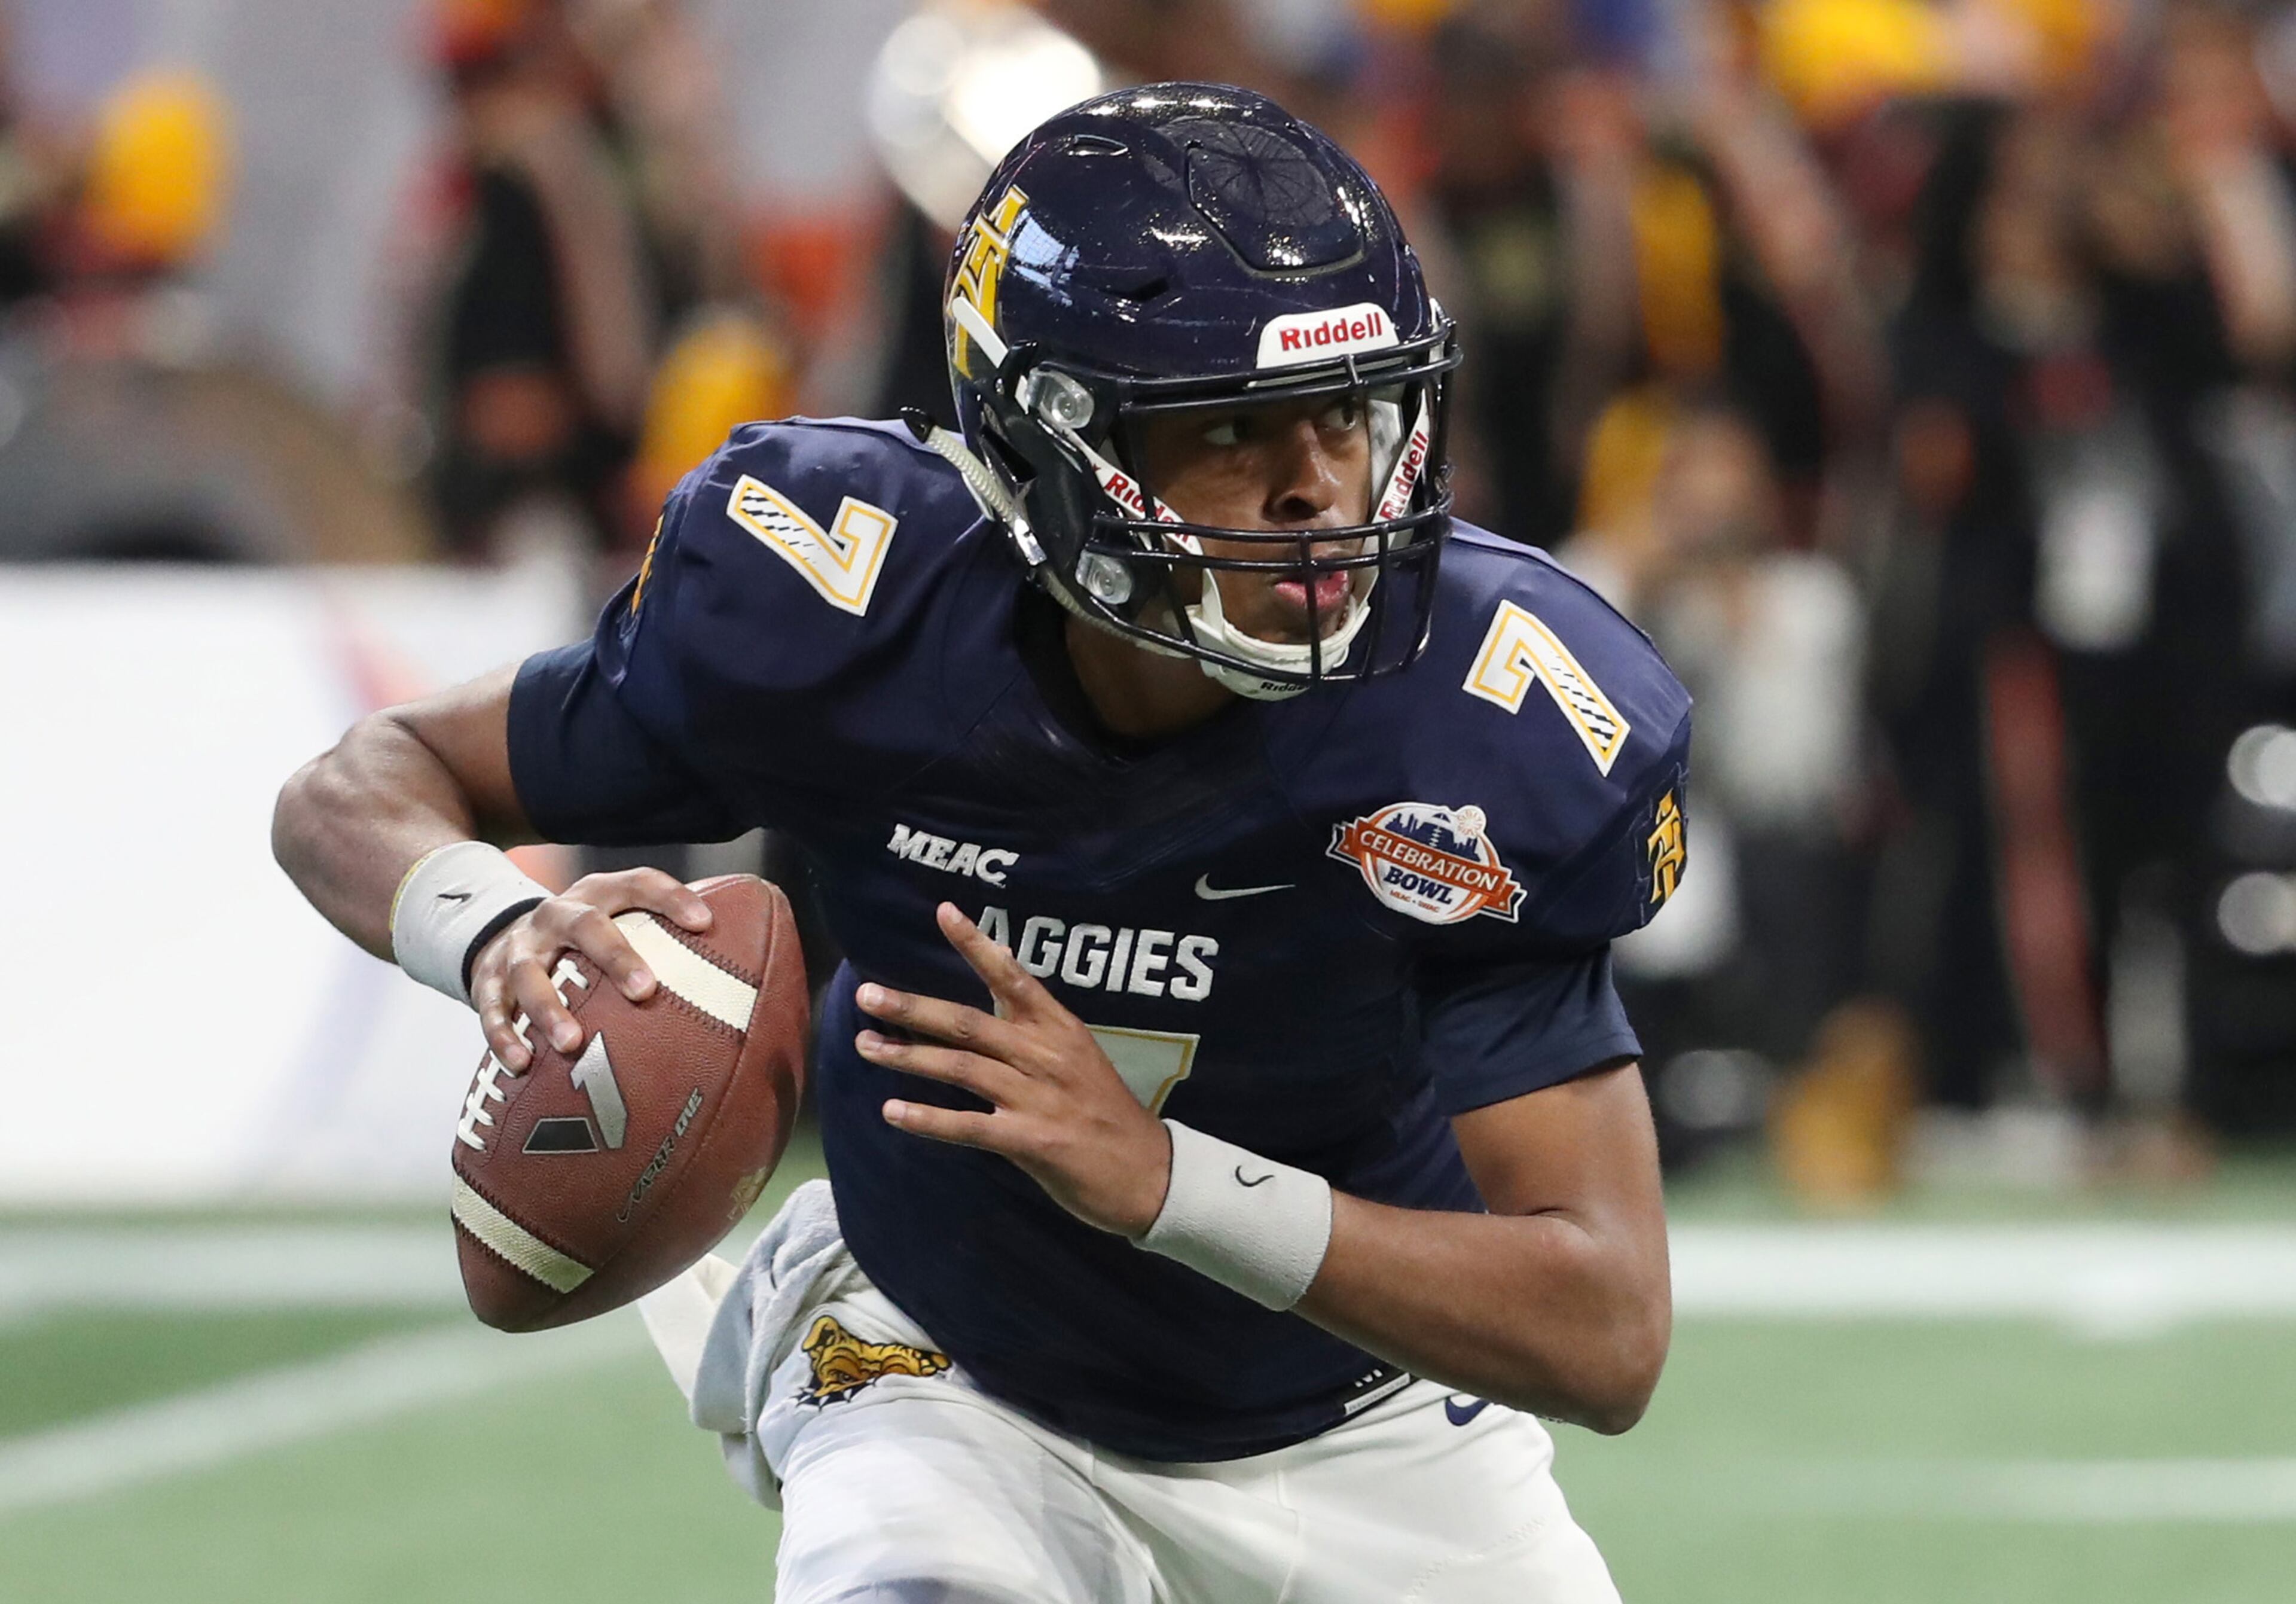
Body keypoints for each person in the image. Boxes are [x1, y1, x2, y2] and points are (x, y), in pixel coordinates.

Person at [274, 85, 1689, 1603]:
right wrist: (496, 930)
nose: (1320, 489)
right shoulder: (848, 601)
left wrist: (1160, 1179)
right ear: (1050, 452)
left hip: (1352, 1421)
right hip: (944, 1359)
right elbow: (359, 785)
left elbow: (1604, 1331)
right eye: (1229, 429)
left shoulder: (1484, 717)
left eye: (1346, 413)